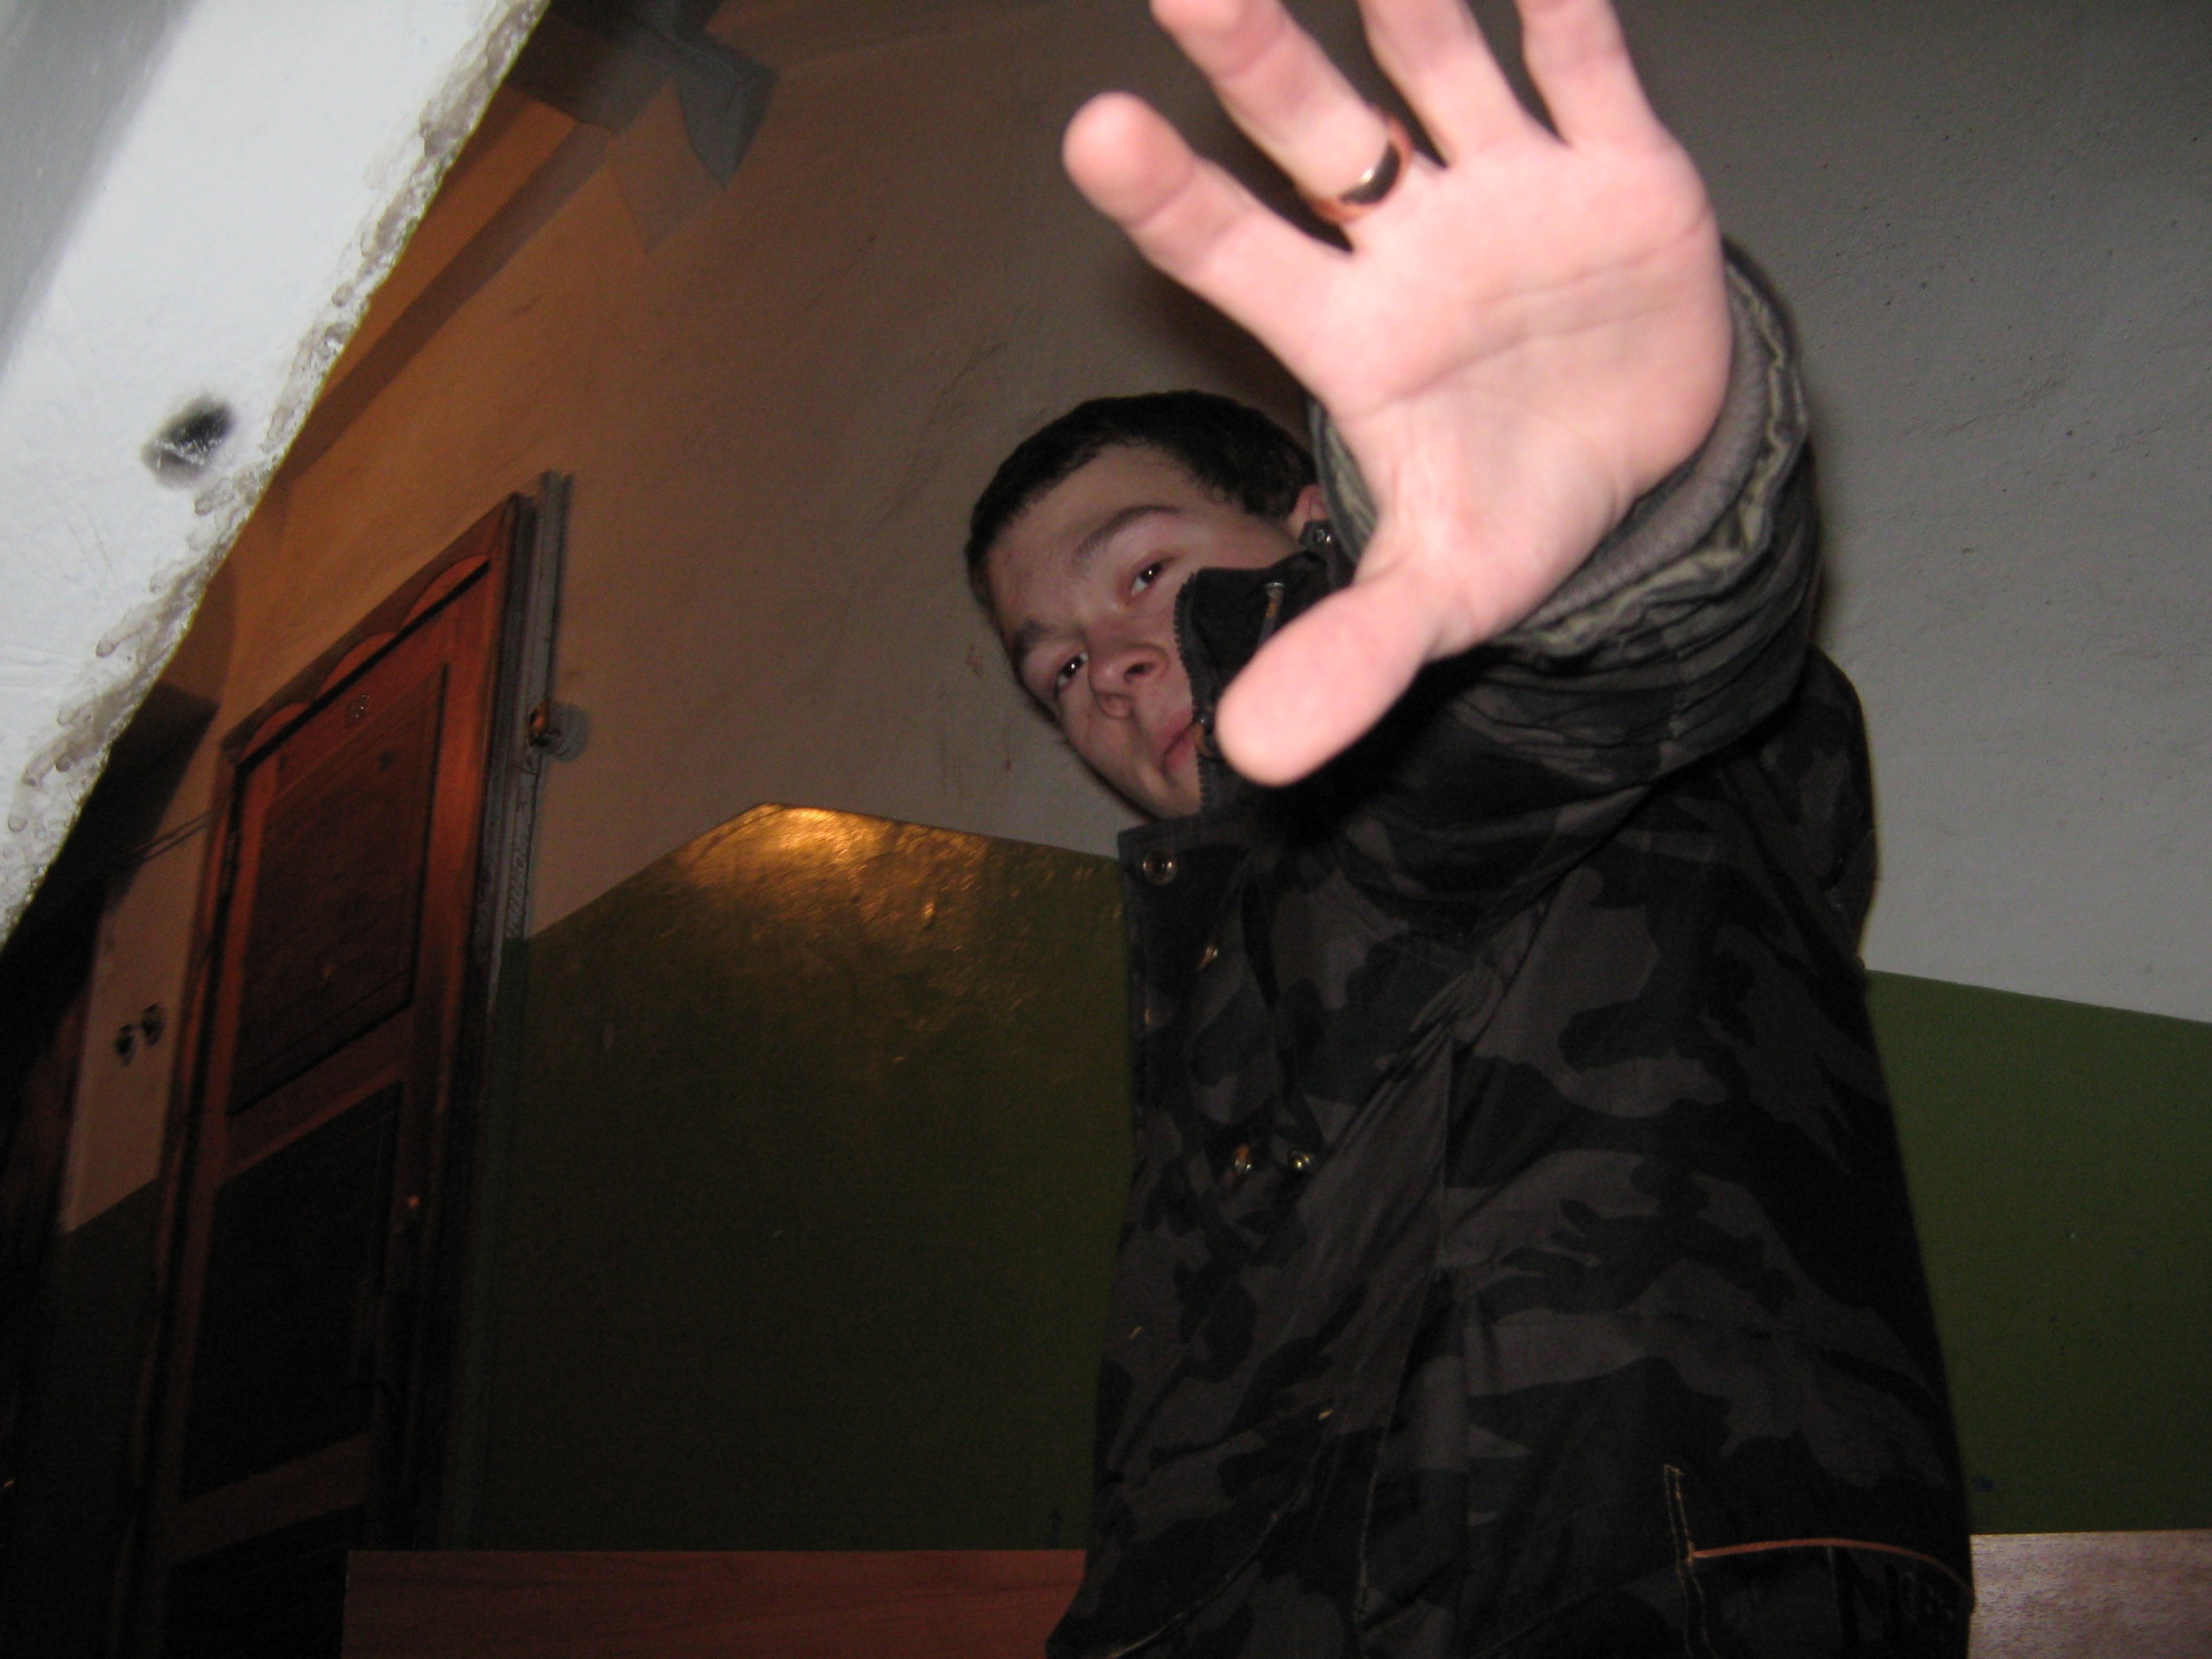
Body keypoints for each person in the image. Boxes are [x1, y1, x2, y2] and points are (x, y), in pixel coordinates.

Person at [964, 0, 1974, 1652]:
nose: (1113, 665)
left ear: (1312, 517)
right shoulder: (1206, 959)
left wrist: (1621, 505)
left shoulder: (1472, 730)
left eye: (1144, 571)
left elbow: (1589, 686)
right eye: (1057, 668)